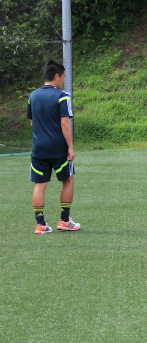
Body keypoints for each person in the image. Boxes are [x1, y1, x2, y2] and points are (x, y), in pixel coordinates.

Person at [27, 60, 77, 234]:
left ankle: (40, 224)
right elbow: (65, 123)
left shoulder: (33, 96)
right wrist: (70, 147)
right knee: (68, 180)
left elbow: (33, 123)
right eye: (63, 77)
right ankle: (64, 220)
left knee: (40, 184)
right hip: (58, 148)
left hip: (38, 148)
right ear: (56, 76)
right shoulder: (62, 96)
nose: (64, 80)